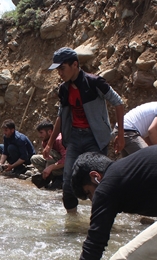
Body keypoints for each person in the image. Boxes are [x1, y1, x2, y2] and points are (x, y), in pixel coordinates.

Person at [43, 47, 125, 213]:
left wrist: (120, 135)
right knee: (68, 182)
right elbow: (60, 116)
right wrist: (49, 143)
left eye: (62, 68)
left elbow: (118, 102)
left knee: (95, 181)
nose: (59, 72)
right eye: (57, 69)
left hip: (95, 139)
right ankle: (72, 223)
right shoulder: (64, 89)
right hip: (74, 139)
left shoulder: (94, 82)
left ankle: (101, 219)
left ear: (74, 64)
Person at [30, 120, 66, 188]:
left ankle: (60, 177)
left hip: (65, 167)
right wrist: (47, 169)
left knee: (50, 152)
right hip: (54, 163)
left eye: (41, 133)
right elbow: (48, 159)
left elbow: (66, 160)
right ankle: (49, 177)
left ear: (50, 132)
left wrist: (51, 167)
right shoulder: (45, 141)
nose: (39, 136)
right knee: (34, 159)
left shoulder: (59, 140)